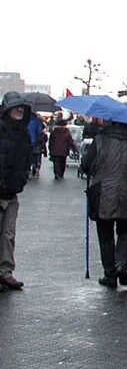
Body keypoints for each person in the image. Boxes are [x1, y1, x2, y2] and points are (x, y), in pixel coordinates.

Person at [81, 121, 127, 288]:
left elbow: (86, 166)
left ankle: (110, 273)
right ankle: (121, 264)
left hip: (103, 192)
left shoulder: (101, 139)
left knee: (105, 234)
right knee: (126, 230)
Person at [0, 92, 34, 290]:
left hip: (11, 192)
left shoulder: (24, 134)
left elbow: (24, 161)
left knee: (8, 234)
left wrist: (20, 180)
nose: (19, 110)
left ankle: (5, 272)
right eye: (15, 107)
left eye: (21, 107)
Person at [27, 113, 47, 178]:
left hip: (25, 141)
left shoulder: (25, 120)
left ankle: (27, 168)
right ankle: (36, 167)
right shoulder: (37, 121)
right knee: (36, 155)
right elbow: (39, 131)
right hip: (35, 141)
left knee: (26, 156)